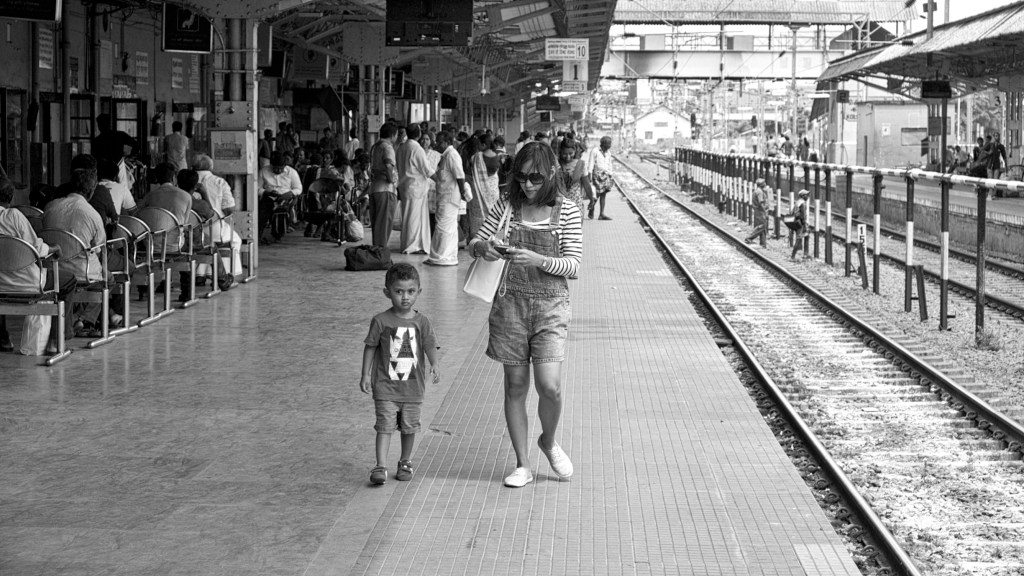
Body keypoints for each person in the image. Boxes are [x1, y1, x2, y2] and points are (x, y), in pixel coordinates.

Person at [467, 142, 583, 488]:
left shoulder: (569, 211)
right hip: (510, 305)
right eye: (521, 178)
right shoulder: (507, 205)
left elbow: (573, 266)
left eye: (535, 178)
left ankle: (547, 441)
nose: (528, 185)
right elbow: (476, 240)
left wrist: (539, 260)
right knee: (515, 386)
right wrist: (483, 248)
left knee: (550, 386)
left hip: (551, 307)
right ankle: (522, 464)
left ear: (551, 175)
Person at [359, 263, 440, 485]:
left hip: (413, 389)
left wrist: (434, 363)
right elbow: (370, 347)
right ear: (387, 292)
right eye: (399, 291)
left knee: (409, 426)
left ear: (419, 292)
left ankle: (405, 461)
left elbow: (430, 344)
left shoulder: (422, 322)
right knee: (384, 426)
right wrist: (365, 375)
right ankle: (380, 465)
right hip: (385, 387)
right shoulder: (380, 321)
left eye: (411, 291)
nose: (405, 297)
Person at [0, 174, 74, 354]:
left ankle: (2, 338)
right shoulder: (13, 216)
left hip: (1, 283)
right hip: (27, 283)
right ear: (11, 198)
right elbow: (36, 248)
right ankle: (57, 341)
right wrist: (54, 247)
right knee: (68, 280)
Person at [193, 154, 242, 285]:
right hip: (213, 226)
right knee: (235, 240)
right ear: (210, 166)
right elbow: (229, 209)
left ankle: (200, 274)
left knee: (204, 242)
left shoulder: (187, 181)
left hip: (189, 229)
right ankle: (225, 274)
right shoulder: (219, 182)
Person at [425, 131, 467, 266]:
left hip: (450, 198)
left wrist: (463, 193)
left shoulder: (452, 155)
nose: (436, 144)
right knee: (444, 227)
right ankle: (442, 256)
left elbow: (460, 176)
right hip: (444, 197)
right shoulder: (445, 155)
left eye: (440, 141)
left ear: (448, 143)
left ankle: (443, 257)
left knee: (445, 228)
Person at [397, 124, 434, 254]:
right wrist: (441, 179)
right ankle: (412, 246)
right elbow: (427, 169)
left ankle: (412, 244)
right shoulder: (416, 149)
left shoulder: (401, 147)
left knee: (408, 216)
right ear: (418, 134)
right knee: (414, 218)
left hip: (405, 186)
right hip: (415, 187)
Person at [257, 152, 302, 244]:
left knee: (281, 212)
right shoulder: (263, 171)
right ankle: (258, 235)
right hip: (269, 196)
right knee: (263, 212)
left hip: (286, 197)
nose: (278, 170)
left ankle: (277, 235)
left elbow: (298, 188)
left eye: (281, 168)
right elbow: (257, 188)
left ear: (285, 166)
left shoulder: (292, 172)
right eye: (276, 168)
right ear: (271, 165)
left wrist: (290, 193)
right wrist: (266, 192)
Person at [468, 133, 501, 239]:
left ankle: (478, 239)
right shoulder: (496, 156)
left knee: (478, 216)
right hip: (493, 192)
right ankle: (491, 237)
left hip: (479, 194)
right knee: (493, 215)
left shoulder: (476, 157)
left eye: (479, 144)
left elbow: (470, 170)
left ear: (483, 145)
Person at [557, 137, 592, 214]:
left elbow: (586, 184)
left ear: (575, 151)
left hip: (576, 203)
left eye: (570, 153)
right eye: (564, 154)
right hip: (559, 204)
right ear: (560, 151)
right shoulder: (556, 164)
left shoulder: (581, 165)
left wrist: (591, 200)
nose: (568, 157)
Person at [587, 136, 614, 220]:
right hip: (596, 175)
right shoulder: (595, 151)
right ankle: (591, 207)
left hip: (605, 175)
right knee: (597, 194)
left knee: (603, 194)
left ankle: (601, 214)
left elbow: (609, 164)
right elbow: (591, 163)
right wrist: (589, 174)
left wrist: (610, 174)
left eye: (610, 143)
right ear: (603, 143)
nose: (610, 145)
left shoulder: (608, 153)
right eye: (608, 143)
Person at [744, 178, 773, 245]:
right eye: (764, 182)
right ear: (762, 184)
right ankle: (749, 238)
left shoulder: (758, 191)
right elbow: (761, 203)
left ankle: (763, 244)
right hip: (760, 211)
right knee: (762, 226)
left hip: (759, 211)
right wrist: (765, 212)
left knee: (763, 227)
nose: (765, 184)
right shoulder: (759, 192)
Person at [790, 189, 810, 262]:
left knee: (806, 235)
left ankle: (805, 254)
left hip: (796, 222)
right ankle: (793, 256)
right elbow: (803, 216)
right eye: (807, 195)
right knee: (799, 238)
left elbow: (792, 212)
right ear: (803, 196)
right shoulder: (803, 204)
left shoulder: (798, 202)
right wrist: (805, 225)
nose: (808, 197)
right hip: (800, 223)